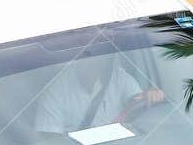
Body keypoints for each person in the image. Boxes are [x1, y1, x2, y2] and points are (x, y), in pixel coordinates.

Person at [31, 52, 163, 134]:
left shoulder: (118, 77)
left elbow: (137, 102)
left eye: (99, 57)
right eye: (88, 58)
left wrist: (150, 96)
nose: (94, 63)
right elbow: (49, 139)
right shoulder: (56, 91)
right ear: (77, 60)